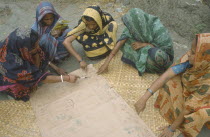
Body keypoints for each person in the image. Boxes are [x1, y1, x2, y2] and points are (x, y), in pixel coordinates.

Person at [134, 33, 210, 137]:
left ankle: (182, 125)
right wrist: (144, 98)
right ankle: (176, 117)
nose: (188, 54)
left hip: (203, 102)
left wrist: (171, 128)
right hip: (189, 93)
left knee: (201, 115)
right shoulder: (192, 60)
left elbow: (190, 106)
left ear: (203, 57)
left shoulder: (208, 81)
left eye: (192, 52)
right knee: (171, 81)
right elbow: (167, 75)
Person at [0, 27, 79, 102]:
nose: (37, 47)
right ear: (24, 48)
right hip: (8, 77)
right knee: (22, 86)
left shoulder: (21, 45)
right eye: (34, 46)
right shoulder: (12, 62)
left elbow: (39, 54)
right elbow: (43, 78)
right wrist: (67, 78)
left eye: (37, 43)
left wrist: (57, 69)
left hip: (22, 65)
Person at [97, 8, 174, 75]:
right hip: (146, 48)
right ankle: (142, 62)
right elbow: (121, 41)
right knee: (127, 40)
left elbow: (165, 52)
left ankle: (158, 70)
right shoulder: (136, 26)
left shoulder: (159, 31)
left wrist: (145, 45)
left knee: (158, 55)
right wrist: (106, 62)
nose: (131, 29)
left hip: (160, 54)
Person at [63, 5, 118, 70]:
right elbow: (66, 42)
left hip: (104, 40)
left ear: (99, 20)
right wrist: (80, 60)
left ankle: (108, 48)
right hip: (92, 45)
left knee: (113, 25)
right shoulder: (83, 24)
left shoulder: (107, 18)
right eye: (88, 24)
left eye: (93, 24)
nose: (91, 27)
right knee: (83, 35)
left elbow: (111, 31)